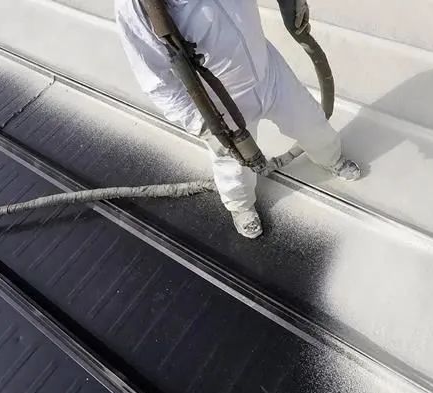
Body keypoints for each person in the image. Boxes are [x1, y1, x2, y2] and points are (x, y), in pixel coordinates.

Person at [115, 0, 361, 239]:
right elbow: (155, 81)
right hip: (220, 104)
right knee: (234, 166)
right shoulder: (134, 6)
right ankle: (241, 206)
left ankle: (331, 158)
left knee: (312, 123)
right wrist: (201, 124)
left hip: (269, 70)